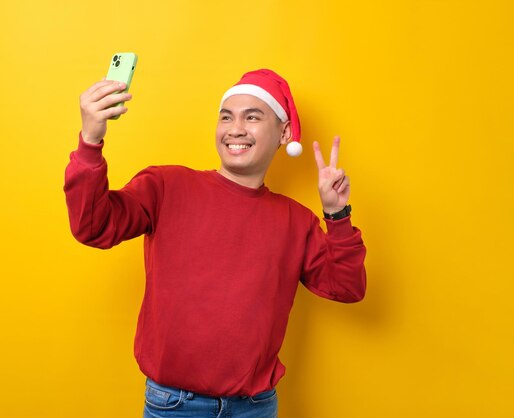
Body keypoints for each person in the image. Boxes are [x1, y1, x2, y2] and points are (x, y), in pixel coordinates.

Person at [64, 69, 367, 418]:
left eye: (252, 117)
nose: (235, 128)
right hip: (174, 405)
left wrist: (337, 213)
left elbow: (347, 288)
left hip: (255, 407)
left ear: (284, 133)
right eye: (226, 117)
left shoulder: (296, 221)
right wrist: (90, 141)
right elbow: (92, 226)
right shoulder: (167, 186)